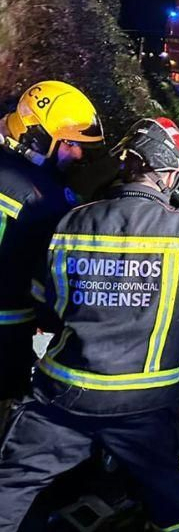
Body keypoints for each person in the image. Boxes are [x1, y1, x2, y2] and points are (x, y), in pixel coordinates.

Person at [0, 116, 179, 532]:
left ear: (127, 166)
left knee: (11, 482)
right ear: (169, 175)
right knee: (166, 487)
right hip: (141, 406)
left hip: (61, 393)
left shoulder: (71, 222)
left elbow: (44, 301)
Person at [0, 82, 103, 399]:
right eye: (69, 143)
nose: (78, 152)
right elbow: (52, 279)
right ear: (39, 138)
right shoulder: (46, 199)